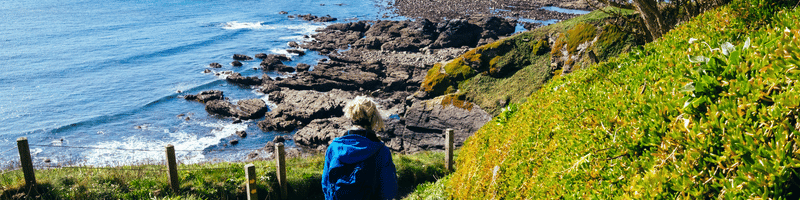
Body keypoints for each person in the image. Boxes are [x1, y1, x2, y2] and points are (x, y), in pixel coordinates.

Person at [322, 96, 398, 200]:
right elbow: (389, 192)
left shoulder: (334, 147)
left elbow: (326, 186)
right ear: (374, 118)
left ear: (351, 116)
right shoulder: (381, 150)